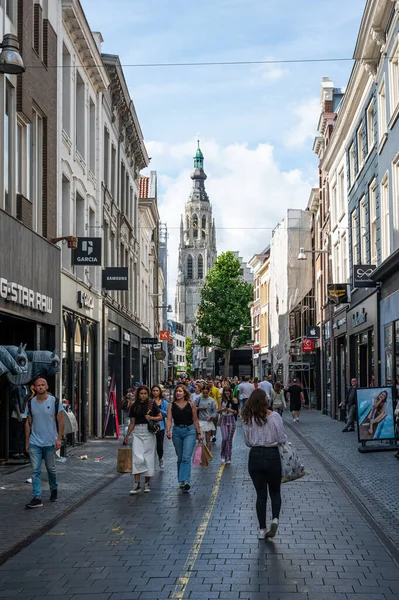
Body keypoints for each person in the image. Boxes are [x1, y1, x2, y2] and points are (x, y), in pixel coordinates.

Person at [242, 388, 286, 540]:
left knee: (260, 495)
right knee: (275, 492)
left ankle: (262, 529)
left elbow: (247, 442)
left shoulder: (247, 418)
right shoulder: (274, 416)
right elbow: (281, 438)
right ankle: (275, 519)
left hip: (254, 456)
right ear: (265, 401)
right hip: (272, 455)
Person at [24, 378, 65, 509]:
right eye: (38, 386)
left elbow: (61, 421)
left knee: (50, 469)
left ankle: (54, 489)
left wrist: (59, 439)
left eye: (43, 385)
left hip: (49, 441)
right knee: (35, 470)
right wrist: (27, 442)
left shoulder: (54, 401)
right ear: (34, 388)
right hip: (35, 442)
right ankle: (37, 497)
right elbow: (28, 423)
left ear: (47, 387)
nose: (40, 387)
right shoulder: (30, 403)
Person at [124, 385, 163, 494]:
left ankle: (146, 483)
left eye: (145, 394)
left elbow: (160, 417)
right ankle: (136, 483)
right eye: (141, 394)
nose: (143, 396)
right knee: (137, 457)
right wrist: (127, 436)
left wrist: (151, 418)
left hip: (149, 432)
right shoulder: (134, 406)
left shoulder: (151, 404)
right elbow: (132, 422)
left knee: (148, 457)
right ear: (138, 394)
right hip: (137, 432)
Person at [166, 384, 203, 492]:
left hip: (189, 431)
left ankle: (185, 480)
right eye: (177, 391)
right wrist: (168, 431)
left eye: (180, 391)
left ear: (185, 393)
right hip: (177, 431)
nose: (178, 393)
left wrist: (199, 433)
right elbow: (169, 420)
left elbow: (195, 420)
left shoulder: (191, 404)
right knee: (180, 457)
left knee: (186, 457)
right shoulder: (171, 405)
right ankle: (181, 480)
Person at [194, 384, 217, 452]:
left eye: (206, 393)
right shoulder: (199, 399)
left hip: (208, 421)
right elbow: (193, 408)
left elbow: (215, 412)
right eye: (204, 393)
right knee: (200, 440)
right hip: (200, 421)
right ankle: (201, 456)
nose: (205, 394)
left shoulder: (212, 400)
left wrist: (211, 416)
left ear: (209, 392)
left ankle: (208, 455)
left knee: (208, 440)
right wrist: (198, 408)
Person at [218, 386, 239, 464]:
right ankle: (223, 454)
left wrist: (232, 410)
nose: (227, 393)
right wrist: (224, 409)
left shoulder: (234, 400)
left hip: (231, 420)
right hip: (224, 419)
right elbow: (218, 410)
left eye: (228, 391)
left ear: (230, 392)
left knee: (229, 439)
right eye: (225, 391)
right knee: (224, 438)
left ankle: (228, 457)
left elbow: (237, 412)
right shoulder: (221, 400)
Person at [151, 385, 169, 469]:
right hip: (150, 425)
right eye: (153, 390)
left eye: (157, 390)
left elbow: (167, 413)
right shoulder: (149, 401)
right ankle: (150, 461)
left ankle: (160, 457)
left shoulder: (164, 402)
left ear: (159, 392)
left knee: (159, 445)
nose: (155, 392)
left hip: (160, 426)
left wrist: (157, 410)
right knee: (150, 445)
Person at [207, 378, 221, 443]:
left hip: (215, 408)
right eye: (208, 382)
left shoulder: (216, 389)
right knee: (208, 422)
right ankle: (209, 435)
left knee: (214, 422)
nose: (210, 383)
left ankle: (214, 436)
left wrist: (219, 407)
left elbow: (219, 398)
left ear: (213, 382)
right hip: (207, 408)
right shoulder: (205, 389)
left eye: (211, 382)